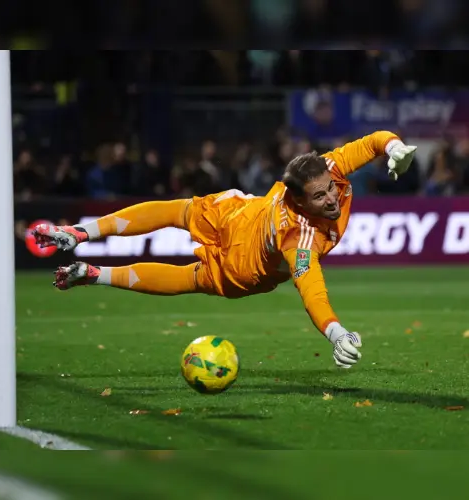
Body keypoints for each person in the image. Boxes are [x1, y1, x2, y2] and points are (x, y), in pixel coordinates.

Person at [33, 131, 416, 370]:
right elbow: (311, 288)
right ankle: (82, 237)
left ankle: (92, 265)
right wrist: (336, 333)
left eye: (330, 188)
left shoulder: (328, 168)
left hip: (241, 235)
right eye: (319, 196)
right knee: (183, 245)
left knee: (181, 243)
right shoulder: (297, 236)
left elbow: (372, 142)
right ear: (298, 200)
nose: (331, 198)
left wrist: (395, 147)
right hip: (242, 246)